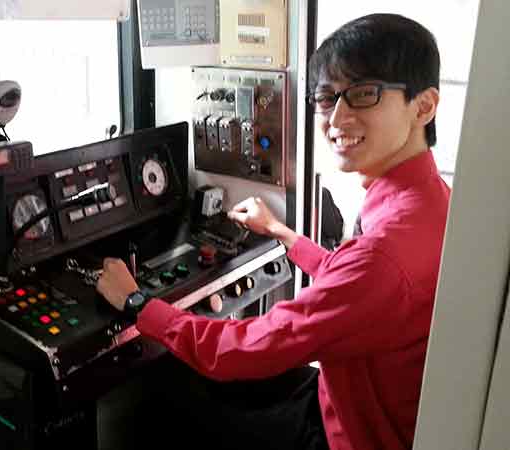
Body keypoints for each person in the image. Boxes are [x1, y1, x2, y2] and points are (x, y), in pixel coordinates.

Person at [97, 13, 450, 450]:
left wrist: (139, 304)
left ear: (424, 105)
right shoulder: (431, 202)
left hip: (348, 435)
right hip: (347, 399)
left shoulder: (384, 255)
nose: (336, 119)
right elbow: (360, 286)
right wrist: (284, 234)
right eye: (327, 97)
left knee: (162, 394)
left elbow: (244, 349)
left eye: (363, 94)